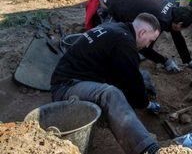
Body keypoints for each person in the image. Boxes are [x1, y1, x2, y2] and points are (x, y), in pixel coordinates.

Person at [51, 13, 162, 154]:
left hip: (80, 78)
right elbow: (133, 83)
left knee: (138, 76)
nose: (148, 45)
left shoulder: (116, 29)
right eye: (150, 41)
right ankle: (146, 149)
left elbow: (129, 75)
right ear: (142, 33)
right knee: (110, 94)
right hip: (66, 87)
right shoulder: (124, 43)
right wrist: (146, 104)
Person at [84, 0, 192, 72]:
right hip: (106, 5)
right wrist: (165, 61)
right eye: (183, 28)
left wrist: (188, 61)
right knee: (117, 41)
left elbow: (177, 36)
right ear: (179, 23)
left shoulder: (171, 11)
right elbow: (144, 48)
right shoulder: (160, 20)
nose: (180, 31)